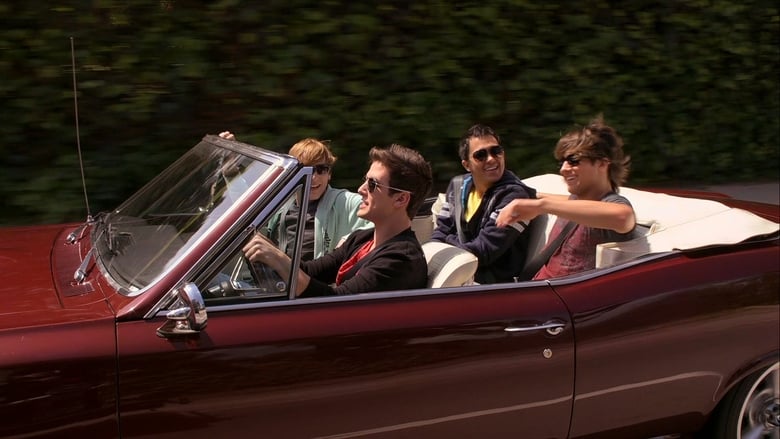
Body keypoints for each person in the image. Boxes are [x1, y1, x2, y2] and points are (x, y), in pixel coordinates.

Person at [243, 143, 433, 297]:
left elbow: (334, 303)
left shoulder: (399, 260)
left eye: (373, 184)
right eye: (365, 180)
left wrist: (277, 258)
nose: (361, 189)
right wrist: (260, 243)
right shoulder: (362, 238)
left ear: (400, 199)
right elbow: (309, 270)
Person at [495, 115, 641, 279]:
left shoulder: (613, 204)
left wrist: (540, 206)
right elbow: (564, 201)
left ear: (602, 163)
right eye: (562, 162)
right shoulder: (576, 201)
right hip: (534, 289)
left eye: (574, 160)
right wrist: (526, 196)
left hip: (562, 299)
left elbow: (624, 217)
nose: (563, 169)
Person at [219, 132, 369, 260]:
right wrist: (231, 168)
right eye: (307, 170)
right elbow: (247, 204)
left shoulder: (346, 201)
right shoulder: (282, 203)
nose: (314, 177)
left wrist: (349, 240)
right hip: (282, 283)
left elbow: (384, 217)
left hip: (318, 288)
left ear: (329, 174)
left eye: (321, 169)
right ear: (292, 174)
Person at [429, 124, 536, 283]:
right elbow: (439, 234)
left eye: (496, 151)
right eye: (480, 155)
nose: (491, 159)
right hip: (459, 275)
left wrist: (449, 241)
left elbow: (483, 251)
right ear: (466, 165)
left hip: (493, 286)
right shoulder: (457, 186)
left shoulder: (516, 197)